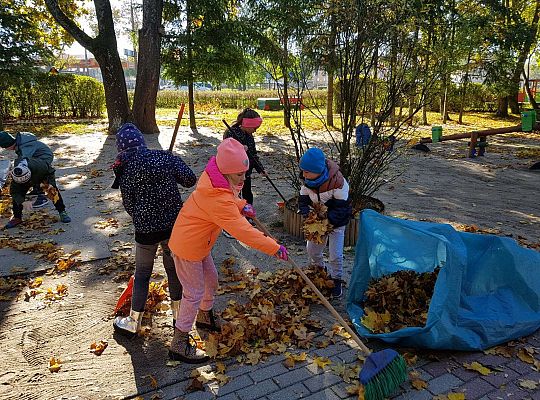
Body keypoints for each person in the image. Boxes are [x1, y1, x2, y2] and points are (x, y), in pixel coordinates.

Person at [168, 138, 288, 363]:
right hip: (187, 248)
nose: (243, 179)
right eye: (239, 175)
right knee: (192, 293)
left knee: (211, 280)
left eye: (245, 173)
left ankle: (204, 317)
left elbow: (229, 196)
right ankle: (179, 342)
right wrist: (274, 248)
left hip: (199, 244)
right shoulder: (217, 199)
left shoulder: (216, 179)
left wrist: (242, 205)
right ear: (226, 172)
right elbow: (244, 232)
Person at [111, 123, 197, 337]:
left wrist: (143, 218)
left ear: (121, 148)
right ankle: (179, 318)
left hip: (145, 231)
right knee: (173, 270)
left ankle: (133, 322)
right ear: (142, 141)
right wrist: (171, 161)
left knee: (142, 274)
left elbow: (128, 204)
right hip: (173, 227)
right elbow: (190, 179)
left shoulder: (126, 167)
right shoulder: (163, 158)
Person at [297, 147, 351, 299]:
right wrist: (306, 213)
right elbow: (302, 201)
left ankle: (336, 279)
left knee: (335, 254)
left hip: (337, 222)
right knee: (312, 250)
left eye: (306, 171)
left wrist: (327, 223)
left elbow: (342, 209)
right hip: (319, 221)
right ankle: (320, 269)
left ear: (318, 171)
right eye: (302, 171)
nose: (303, 174)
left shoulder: (338, 184)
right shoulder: (307, 182)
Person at [0, 131, 71, 229]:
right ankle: (17, 217)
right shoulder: (17, 175)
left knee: (52, 190)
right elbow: (14, 192)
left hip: (39, 167)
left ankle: (62, 211)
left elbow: (50, 171)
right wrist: (22, 201)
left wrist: (51, 183)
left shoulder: (40, 166)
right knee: (19, 193)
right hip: (26, 170)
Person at [223, 108, 266, 205]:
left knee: (247, 194)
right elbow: (226, 152)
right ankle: (236, 214)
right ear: (248, 125)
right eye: (254, 128)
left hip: (246, 171)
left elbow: (253, 154)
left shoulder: (249, 136)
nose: (255, 131)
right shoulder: (231, 133)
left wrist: (260, 169)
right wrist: (239, 149)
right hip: (234, 173)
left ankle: (248, 214)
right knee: (235, 194)